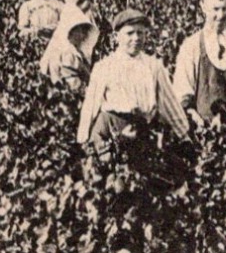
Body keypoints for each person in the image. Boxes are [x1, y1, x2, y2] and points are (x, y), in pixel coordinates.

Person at [76, 10, 190, 153]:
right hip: (110, 131)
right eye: (129, 33)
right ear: (117, 36)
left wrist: (184, 136)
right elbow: (90, 106)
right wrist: (83, 141)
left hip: (141, 132)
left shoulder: (153, 66)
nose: (136, 38)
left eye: (140, 33)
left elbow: (169, 103)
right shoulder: (105, 67)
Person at [40, 4, 99, 93]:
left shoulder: (74, 51)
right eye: (79, 30)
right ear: (71, 32)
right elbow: (73, 84)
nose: (82, 33)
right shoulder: (67, 54)